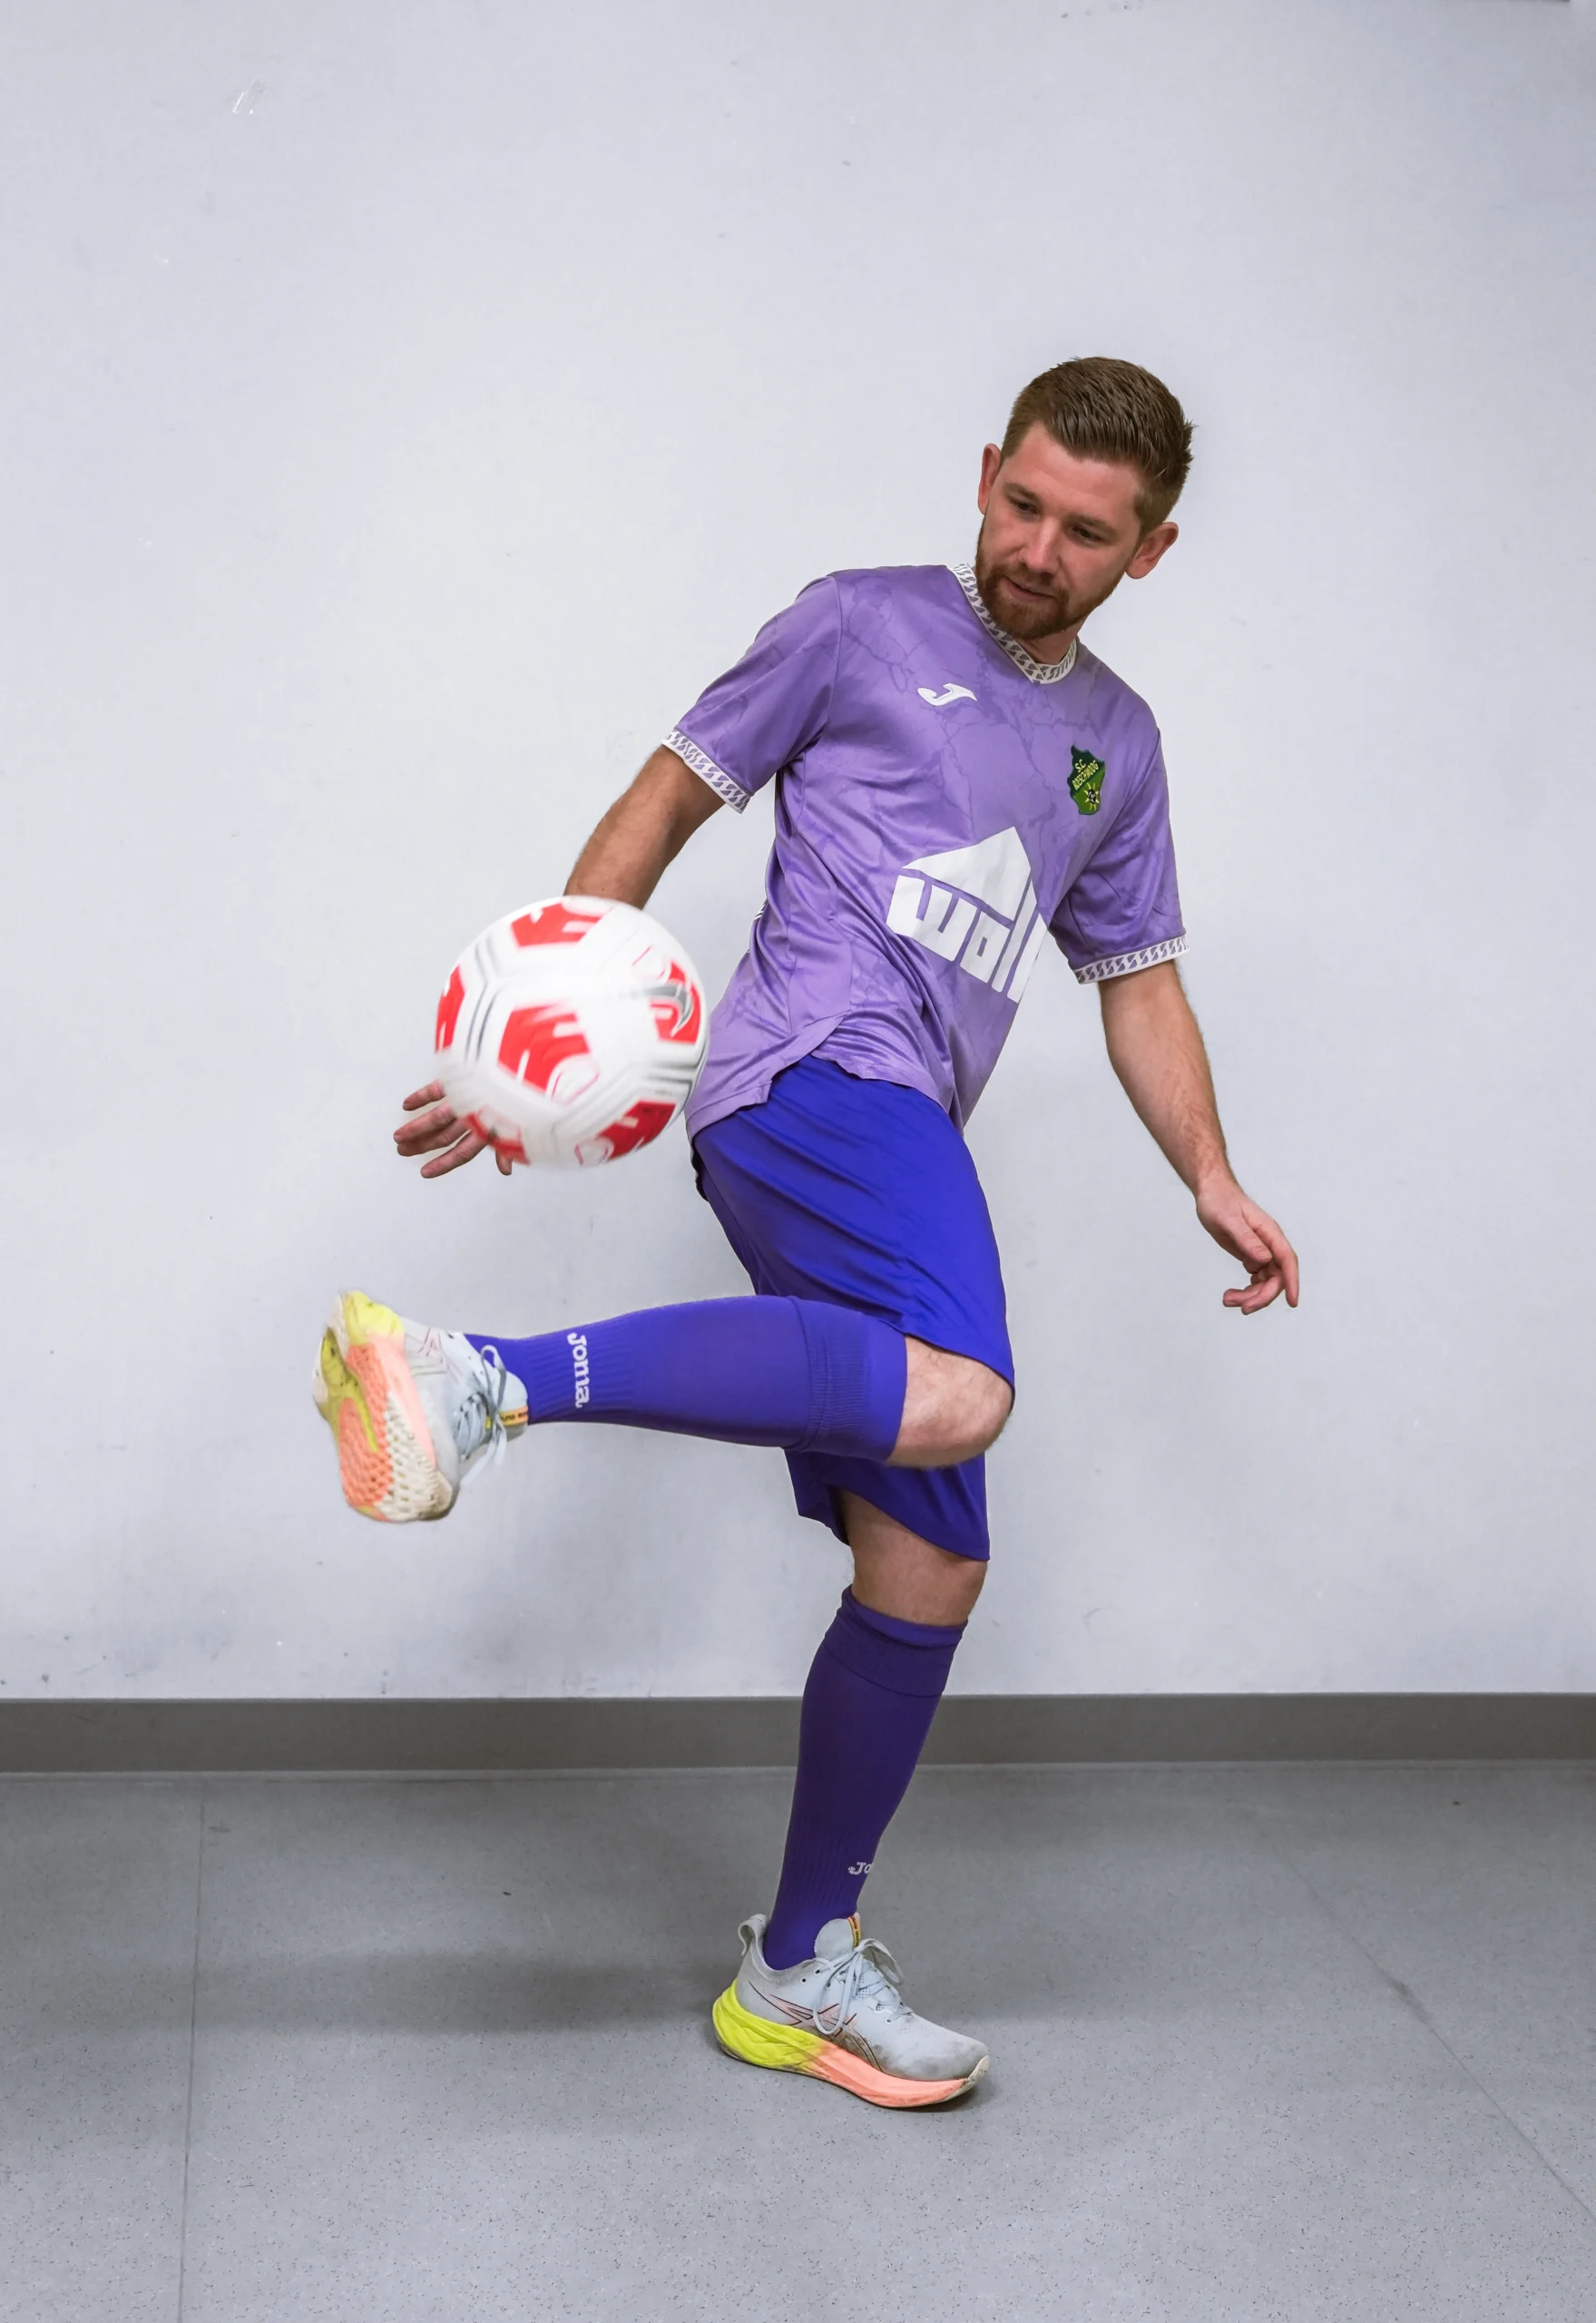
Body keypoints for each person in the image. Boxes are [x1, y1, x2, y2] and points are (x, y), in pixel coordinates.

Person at [313, 357, 1299, 2111]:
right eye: (1021, 504)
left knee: (929, 1564)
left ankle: (794, 1970)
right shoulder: (853, 625)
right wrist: (538, 1026)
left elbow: (1136, 982)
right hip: (809, 1073)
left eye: (1086, 533)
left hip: (898, 1115)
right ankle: (476, 1381)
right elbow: (666, 798)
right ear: (984, 471)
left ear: (1147, 551)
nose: (1037, 549)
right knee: (964, 1388)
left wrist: (1208, 1175)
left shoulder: (1120, 747)